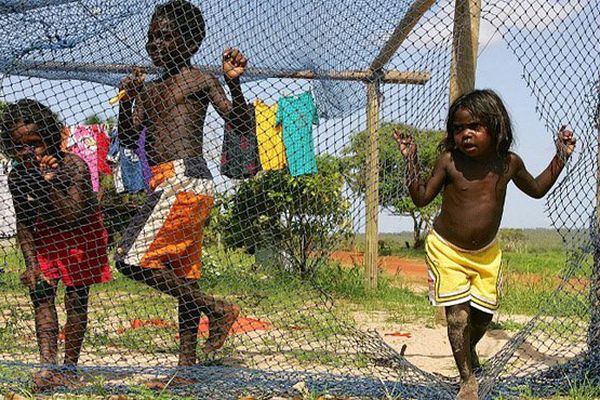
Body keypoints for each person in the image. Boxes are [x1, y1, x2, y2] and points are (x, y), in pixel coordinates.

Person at [393, 89, 576, 400]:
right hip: (447, 249)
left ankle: (468, 352)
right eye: (459, 128)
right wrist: (410, 160)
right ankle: (467, 381)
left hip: (486, 254)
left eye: (475, 127)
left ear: (496, 127)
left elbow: (537, 190)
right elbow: (421, 197)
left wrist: (560, 156)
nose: (466, 134)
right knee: (458, 316)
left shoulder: (509, 164)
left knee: (483, 317)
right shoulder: (449, 161)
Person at [116, 0, 245, 366]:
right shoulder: (149, 90)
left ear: (190, 43)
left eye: (166, 37)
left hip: (184, 177)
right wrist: (126, 101)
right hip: (170, 182)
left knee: (128, 260)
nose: (155, 45)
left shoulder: (201, 79)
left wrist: (235, 86)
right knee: (183, 277)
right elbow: (128, 136)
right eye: (151, 38)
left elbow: (238, 121)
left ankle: (218, 310)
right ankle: (186, 366)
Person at [0, 99, 112, 390]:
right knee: (42, 295)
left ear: (50, 137)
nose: (27, 153)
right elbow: (24, 222)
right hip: (46, 234)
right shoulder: (18, 175)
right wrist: (31, 264)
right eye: (19, 147)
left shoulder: (73, 165)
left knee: (75, 300)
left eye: (34, 144)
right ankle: (47, 366)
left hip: (82, 237)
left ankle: (69, 368)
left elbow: (74, 215)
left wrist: (47, 183)